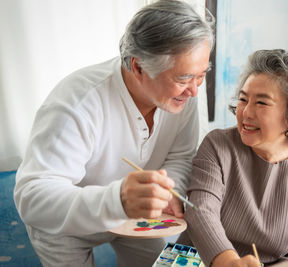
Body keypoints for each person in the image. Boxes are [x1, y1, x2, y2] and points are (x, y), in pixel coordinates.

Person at [13, 1, 214, 266]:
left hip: (137, 216)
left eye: (201, 75)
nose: (194, 91)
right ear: (139, 67)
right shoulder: (78, 103)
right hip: (64, 225)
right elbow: (32, 197)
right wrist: (117, 201)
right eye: (183, 78)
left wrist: (168, 192)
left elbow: (180, 155)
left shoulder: (181, 97)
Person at [178, 49, 288, 266]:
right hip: (197, 260)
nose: (245, 113)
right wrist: (228, 262)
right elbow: (200, 211)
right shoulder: (218, 145)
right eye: (243, 99)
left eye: (261, 103)